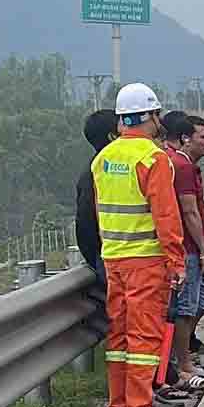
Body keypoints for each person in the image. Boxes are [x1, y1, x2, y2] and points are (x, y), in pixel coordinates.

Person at [93, 83, 185, 407]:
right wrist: (176, 262)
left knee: (118, 336)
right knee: (144, 337)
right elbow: (166, 216)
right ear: (150, 117)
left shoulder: (103, 158)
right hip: (146, 260)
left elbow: (100, 211)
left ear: (122, 120)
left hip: (113, 258)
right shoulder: (153, 158)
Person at [161, 112, 204, 391]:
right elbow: (189, 211)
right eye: (203, 137)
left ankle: (180, 357)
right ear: (185, 138)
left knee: (201, 302)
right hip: (187, 249)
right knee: (185, 309)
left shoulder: (184, 164)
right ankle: (182, 365)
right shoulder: (181, 166)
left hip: (192, 246)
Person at [75, 108, 117, 285]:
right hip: (111, 259)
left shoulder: (94, 170)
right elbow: (85, 222)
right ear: (112, 136)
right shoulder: (99, 172)